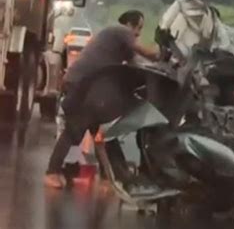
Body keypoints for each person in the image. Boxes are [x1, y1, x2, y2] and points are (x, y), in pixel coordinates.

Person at [44, 10, 162, 188]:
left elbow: (136, 64)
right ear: (129, 24)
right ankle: (52, 172)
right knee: (74, 129)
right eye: (138, 28)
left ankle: (112, 176)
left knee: (103, 134)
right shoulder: (120, 31)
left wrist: (157, 71)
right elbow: (144, 53)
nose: (138, 33)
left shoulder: (119, 41)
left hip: (90, 87)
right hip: (81, 85)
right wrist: (161, 56)